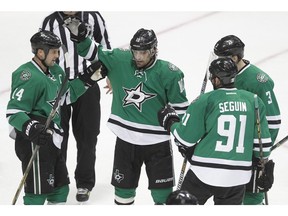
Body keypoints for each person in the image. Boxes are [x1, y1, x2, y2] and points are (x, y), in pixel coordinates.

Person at [63, 17, 190, 205]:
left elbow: (181, 111)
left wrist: (184, 138)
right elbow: (94, 52)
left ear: (154, 50)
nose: (138, 57)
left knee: (162, 198)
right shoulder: (121, 59)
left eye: (143, 52)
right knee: (123, 195)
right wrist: (81, 38)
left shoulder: (170, 73)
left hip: (158, 144)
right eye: (135, 52)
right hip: (126, 142)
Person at [6, 30, 104, 205]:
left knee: (60, 189)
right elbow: (14, 112)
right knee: (37, 194)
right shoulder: (27, 75)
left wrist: (88, 78)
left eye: (58, 51)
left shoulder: (56, 71)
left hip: (53, 138)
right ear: (40, 52)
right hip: (33, 140)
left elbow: (65, 97)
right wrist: (32, 128)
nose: (57, 56)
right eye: (54, 52)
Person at [158, 58, 273, 205]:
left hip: (204, 172)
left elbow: (185, 138)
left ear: (217, 80)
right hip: (238, 176)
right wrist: (261, 166)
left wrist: (170, 122)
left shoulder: (206, 100)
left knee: (182, 206)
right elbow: (262, 146)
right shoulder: (254, 100)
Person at [39, 11, 111, 202]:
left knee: (88, 136)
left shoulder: (93, 17)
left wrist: (111, 76)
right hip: (58, 86)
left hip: (87, 83)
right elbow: (41, 53)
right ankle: (57, 182)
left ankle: (84, 184)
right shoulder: (50, 21)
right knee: (56, 137)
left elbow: (105, 47)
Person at [213, 35, 281, 205]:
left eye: (222, 58)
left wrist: (261, 154)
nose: (217, 63)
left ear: (235, 58)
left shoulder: (259, 82)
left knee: (251, 197)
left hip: (249, 151)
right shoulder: (222, 74)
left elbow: (273, 121)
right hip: (226, 149)